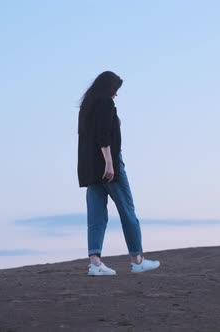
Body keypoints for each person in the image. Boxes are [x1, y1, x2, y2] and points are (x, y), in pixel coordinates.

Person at [77, 71, 160, 276]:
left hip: (89, 169)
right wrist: (110, 163)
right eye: (116, 89)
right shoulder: (105, 103)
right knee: (127, 210)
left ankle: (95, 264)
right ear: (109, 87)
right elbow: (103, 136)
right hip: (107, 164)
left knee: (96, 216)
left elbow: (96, 132)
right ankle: (137, 260)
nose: (116, 94)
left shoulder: (87, 106)